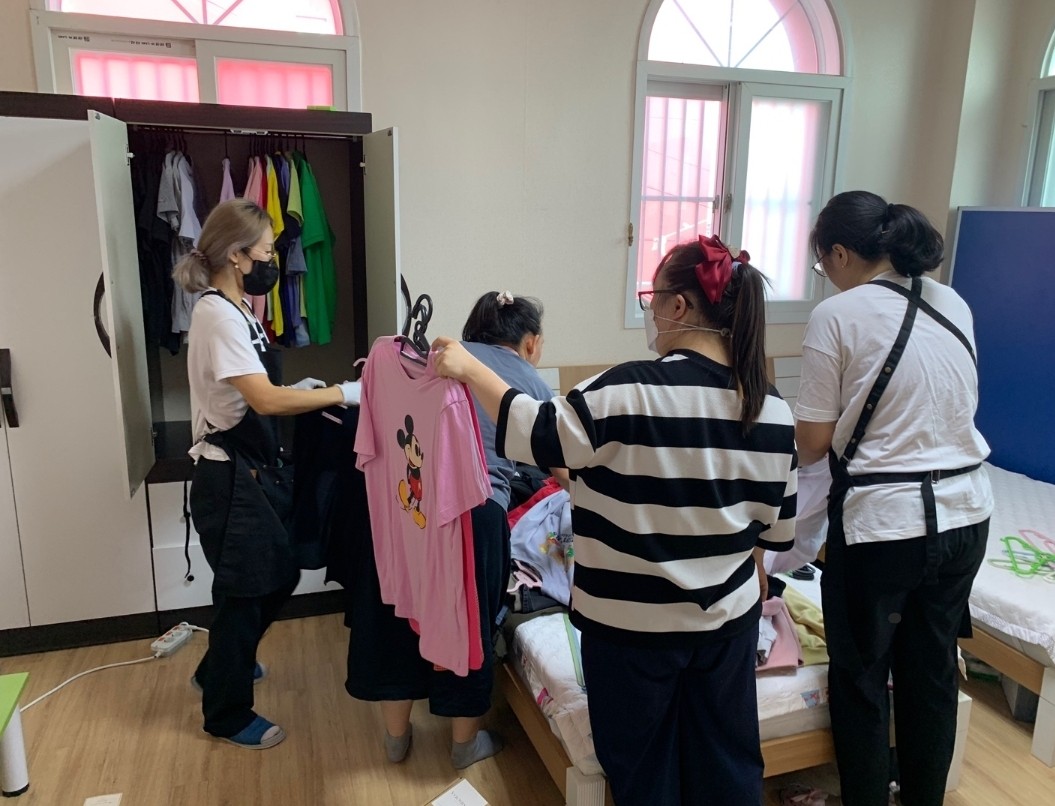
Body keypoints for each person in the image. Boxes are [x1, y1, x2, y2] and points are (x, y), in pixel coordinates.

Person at [432, 237, 798, 806]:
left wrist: (467, 366)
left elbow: (535, 429)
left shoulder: (624, 390)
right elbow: (773, 537)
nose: (651, 311)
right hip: (725, 627)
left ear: (678, 306)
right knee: (726, 767)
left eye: (653, 298)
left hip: (630, 635)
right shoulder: (772, 410)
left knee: (642, 773)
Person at [795, 191, 993, 806]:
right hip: (967, 515)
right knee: (930, 673)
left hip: (884, 529)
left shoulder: (837, 314)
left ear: (839, 253)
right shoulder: (953, 301)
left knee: (860, 678)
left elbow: (812, 445)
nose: (825, 274)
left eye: (821, 263)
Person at [173, 199, 358, 750]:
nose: (274, 261)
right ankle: (226, 713)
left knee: (277, 576)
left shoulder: (240, 310)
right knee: (246, 593)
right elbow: (264, 401)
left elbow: (254, 390)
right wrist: (341, 393)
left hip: (251, 471)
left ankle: (221, 665)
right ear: (236, 255)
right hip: (228, 479)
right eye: (267, 251)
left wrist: (299, 390)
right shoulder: (216, 315)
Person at [346, 289, 558, 769]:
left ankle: (396, 739)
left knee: (395, 613)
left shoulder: (428, 359)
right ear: (530, 342)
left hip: (404, 508)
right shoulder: (530, 381)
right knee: (468, 624)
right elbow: (557, 463)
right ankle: (465, 745)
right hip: (473, 512)